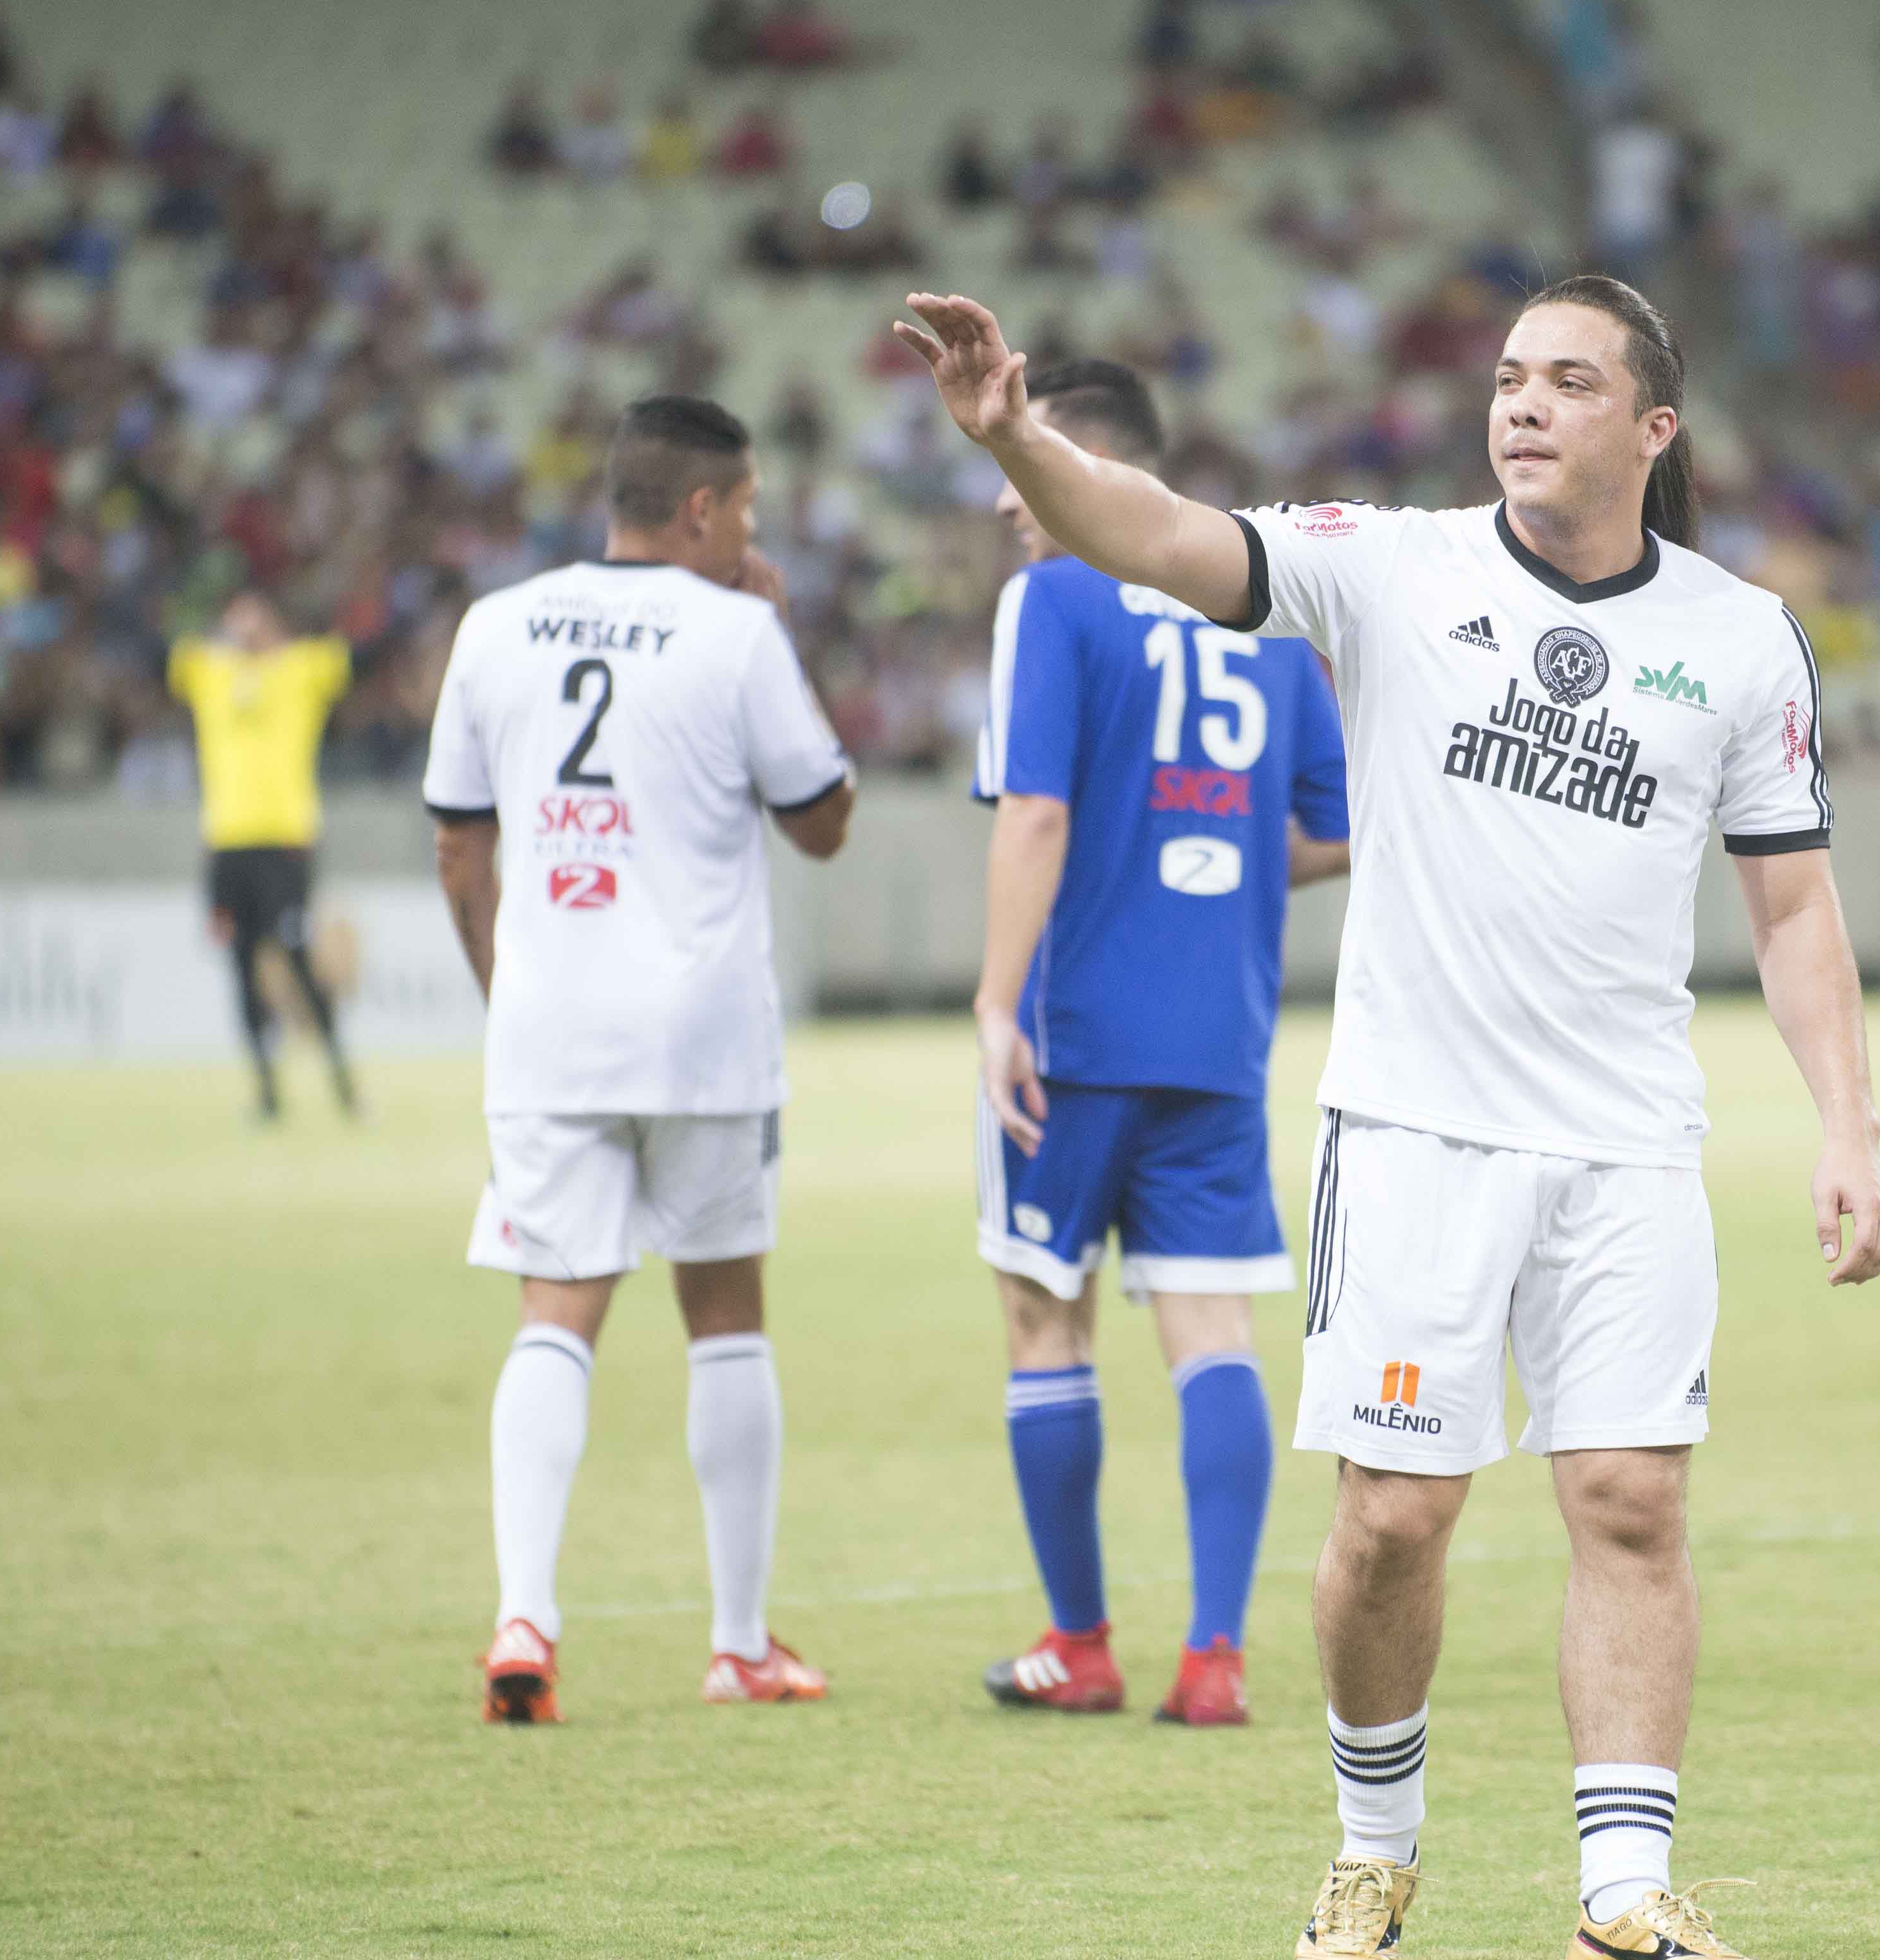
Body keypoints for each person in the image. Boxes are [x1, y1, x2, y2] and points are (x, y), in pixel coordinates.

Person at [896, 273, 1880, 1960]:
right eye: (1509, 378)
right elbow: (1157, 536)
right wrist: (1017, 438)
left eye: (1569, 384)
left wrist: (1850, 1129)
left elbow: (1793, 906)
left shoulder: (1741, 635)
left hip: (1632, 1142)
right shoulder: (1392, 568)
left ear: (1653, 431)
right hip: (1419, 1134)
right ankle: (1373, 1852)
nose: (1522, 406)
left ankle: (1628, 1896)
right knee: (1393, 1528)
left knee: (1633, 1501)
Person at [422, 396, 858, 1725]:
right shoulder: (734, 632)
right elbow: (825, 823)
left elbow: (457, 841)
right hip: (704, 1040)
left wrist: (513, 996)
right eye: (751, 512)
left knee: (555, 1313)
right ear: (703, 512)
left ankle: (523, 1616)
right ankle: (735, 1644)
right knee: (723, 1315)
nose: (755, 536)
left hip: (549, 1034)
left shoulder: (494, 624)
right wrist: (775, 631)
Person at [965, 357, 1351, 1728]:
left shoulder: (1053, 598)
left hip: (1072, 1031)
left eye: (1023, 470)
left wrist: (997, 1004)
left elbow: (1034, 813)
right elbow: (1336, 829)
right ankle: (1216, 1656)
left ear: (1084, 468)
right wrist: (1225, 854)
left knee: (1040, 1316)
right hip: (1217, 1033)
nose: (1012, 506)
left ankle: (1077, 1643)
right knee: (1211, 1330)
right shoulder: (1269, 623)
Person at [166, 591, 360, 1122]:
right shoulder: (210, 670)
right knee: (239, 964)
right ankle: (267, 1093)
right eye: (236, 622)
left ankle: (343, 1084)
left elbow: (349, 652)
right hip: (226, 845)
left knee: (298, 960)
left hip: (285, 842)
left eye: (257, 621)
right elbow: (173, 644)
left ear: (276, 626)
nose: (246, 632)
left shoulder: (300, 667)